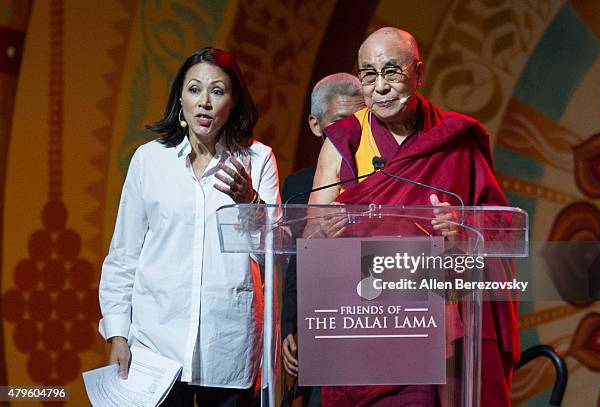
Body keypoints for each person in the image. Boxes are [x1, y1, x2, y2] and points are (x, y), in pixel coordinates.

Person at [309, 27, 519, 406]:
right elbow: (308, 232)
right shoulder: (343, 139)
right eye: (369, 75)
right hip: (365, 322)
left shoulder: (453, 139)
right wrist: (326, 230)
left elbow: (503, 227)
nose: (381, 87)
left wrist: (462, 227)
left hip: (438, 325)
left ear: (418, 73)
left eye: (391, 72)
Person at [98, 47, 280, 407]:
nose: (205, 103)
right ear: (180, 98)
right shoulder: (150, 160)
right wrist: (118, 335)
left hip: (230, 346)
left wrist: (251, 202)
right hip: (156, 348)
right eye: (195, 90)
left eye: (217, 91)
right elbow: (124, 254)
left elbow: (275, 251)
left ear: (233, 101)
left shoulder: (258, 159)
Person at [280, 73, 364, 406]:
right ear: (316, 126)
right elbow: (294, 264)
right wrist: (291, 327)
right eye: (341, 123)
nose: (352, 132)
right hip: (320, 333)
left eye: (361, 120)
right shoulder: (297, 188)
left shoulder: (383, 180)